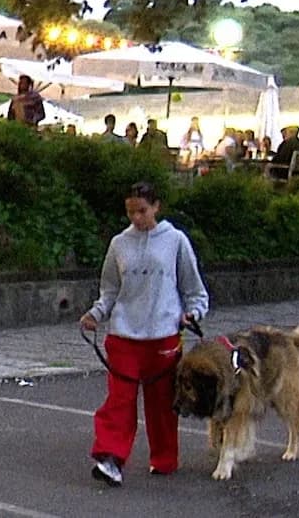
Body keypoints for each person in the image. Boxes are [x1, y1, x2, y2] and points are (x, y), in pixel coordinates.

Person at [79, 182, 209, 487]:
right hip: (123, 334)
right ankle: (110, 457)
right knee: (119, 400)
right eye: (131, 212)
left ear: (156, 207)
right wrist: (96, 314)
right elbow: (110, 290)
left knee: (162, 403)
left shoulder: (176, 240)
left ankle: (164, 458)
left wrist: (193, 313)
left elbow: (194, 289)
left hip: (163, 335)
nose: (137, 218)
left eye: (142, 211)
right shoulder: (119, 244)